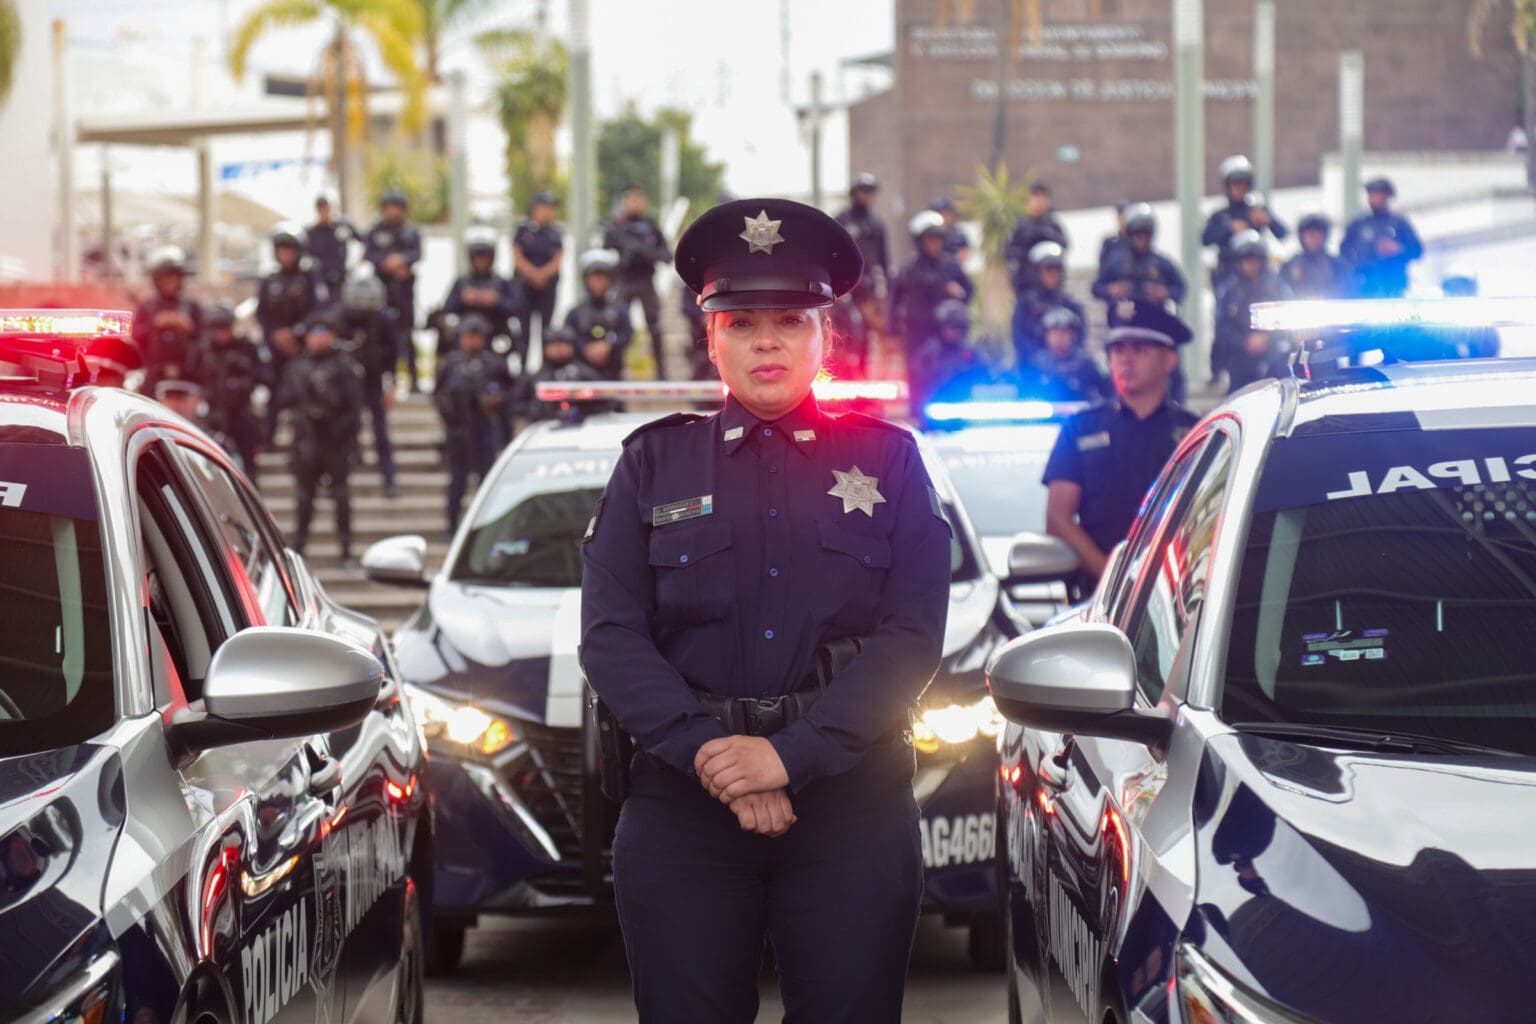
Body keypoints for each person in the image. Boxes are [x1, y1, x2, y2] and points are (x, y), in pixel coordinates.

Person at [580, 197, 951, 1023]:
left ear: (827, 336)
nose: (768, 341)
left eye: (790, 319)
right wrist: (714, 754)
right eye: (743, 322)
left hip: (851, 803)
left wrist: (795, 756)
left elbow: (913, 636)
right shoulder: (653, 464)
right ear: (712, 339)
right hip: (685, 805)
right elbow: (611, 639)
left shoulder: (889, 462)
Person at [1043, 303, 1198, 588]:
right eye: (1118, 350)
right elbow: (1058, 519)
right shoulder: (1080, 428)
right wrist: (1115, 583)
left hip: (1176, 593)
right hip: (1095, 596)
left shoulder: (1194, 433)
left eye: (1139, 350)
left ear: (1169, 360)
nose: (1126, 360)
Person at [276, 309, 364, 566]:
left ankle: (346, 550)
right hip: (306, 442)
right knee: (304, 498)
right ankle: (299, 549)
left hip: (336, 441)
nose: (319, 339)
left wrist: (347, 437)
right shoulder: (297, 367)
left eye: (324, 333)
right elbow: (284, 400)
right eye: (314, 334)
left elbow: (355, 408)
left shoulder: (345, 367)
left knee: (341, 497)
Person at [435, 313, 511, 532]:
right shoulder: (450, 363)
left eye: (477, 336)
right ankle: (451, 527)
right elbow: (438, 393)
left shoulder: (494, 364)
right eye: (469, 336)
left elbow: (510, 392)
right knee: (457, 480)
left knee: (486, 481)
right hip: (458, 430)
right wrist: (450, 413)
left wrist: (495, 401)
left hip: (485, 429)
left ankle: (484, 528)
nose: (472, 341)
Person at [256, 226, 325, 443]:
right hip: (276, 348)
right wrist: (276, 337)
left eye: (289, 250)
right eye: (281, 250)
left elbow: (317, 311)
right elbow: (262, 314)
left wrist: (296, 333)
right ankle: (268, 439)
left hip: (302, 347)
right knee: (274, 394)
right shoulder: (269, 280)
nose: (284, 255)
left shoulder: (309, 279)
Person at [340, 269, 399, 498]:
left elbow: (393, 353)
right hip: (348, 382)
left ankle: (389, 480)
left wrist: (390, 384)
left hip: (374, 380)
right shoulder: (342, 316)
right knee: (344, 430)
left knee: (381, 432)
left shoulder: (384, 319)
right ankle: (337, 480)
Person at [603, 184, 673, 378]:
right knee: (617, 325)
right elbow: (605, 252)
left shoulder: (651, 226)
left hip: (646, 281)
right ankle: (615, 372)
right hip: (624, 281)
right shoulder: (616, 226)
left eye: (638, 199)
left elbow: (667, 255)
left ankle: (661, 373)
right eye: (630, 199)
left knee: (655, 327)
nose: (634, 203)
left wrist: (646, 253)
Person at [1215, 230, 1295, 393]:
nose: (1251, 264)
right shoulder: (1229, 290)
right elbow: (1222, 325)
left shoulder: (1278, 287)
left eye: (1254, 259)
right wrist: (1244, 341)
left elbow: (1289, 318)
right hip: (1240, 357)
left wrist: (1267, 338)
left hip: (1273, 355)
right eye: (1246, 259)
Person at [189, 304, 263, 479]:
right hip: (212, 414)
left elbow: (263, 375)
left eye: (225, 328)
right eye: (217, 328)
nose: (221, 333)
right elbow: (191, 377)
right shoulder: (201, 351)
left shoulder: (246, 348)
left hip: (241, 413)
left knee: (248, 466)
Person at [364, 188, 424, 391]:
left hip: (404, 290)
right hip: (381, 291)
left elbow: (417, 254)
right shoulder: (376, 231)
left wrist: (402, 262)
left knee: (407, 334)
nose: (393, 212)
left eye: (397, 207)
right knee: (382, 336)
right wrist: (386, 263)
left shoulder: (411, 232)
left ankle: (413, 380)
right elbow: (370, 254)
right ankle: (386, 380)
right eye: (389, 208)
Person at [890, 210, 973, 356]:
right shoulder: (910, 268)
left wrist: (960, 296)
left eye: (939, 239)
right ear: (920, 241)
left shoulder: (950, 264)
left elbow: (968, 290)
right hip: (917, 334)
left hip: (946, 336)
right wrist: (893, 331)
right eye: (931, 239)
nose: (936, 244)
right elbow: (895, 300)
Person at [1200, 155, 1289, 288]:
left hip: (1258, 278)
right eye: (1235, 184)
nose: (1239, 188)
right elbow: (1205, 239)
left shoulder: (1256, 209)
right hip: (1228, 277)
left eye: (1243, 184)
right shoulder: (1221, 215)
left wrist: (1268, 220)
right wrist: (1229, 228)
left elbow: (1283, 233)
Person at [833, 173, 891, 373]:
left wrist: (887, 292)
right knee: (842, 334)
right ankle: (843, 376)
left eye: (869, 192)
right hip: (843, 286)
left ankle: (863, 377)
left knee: (867, 335)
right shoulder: (842, 220)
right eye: (862, 191)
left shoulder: (876, 224)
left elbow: (884, 259)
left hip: (867, 287)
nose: (865, 196)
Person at [132, 245, 203, 399]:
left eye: (174, 277)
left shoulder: (192, 307)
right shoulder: (146, 307)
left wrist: (188, 327)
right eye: (165, 278)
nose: (170, 282)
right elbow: (134, 338)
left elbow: (205, 338)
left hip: (187, 376)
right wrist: (155, 325)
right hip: (154, 376)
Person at [441, 226, 520, 359]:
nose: (481, 261)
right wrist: (463, 299)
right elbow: (447, 308)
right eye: (477, 257)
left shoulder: (502, 282)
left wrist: (497, 301)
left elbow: (517, 309)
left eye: (485, 257)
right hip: (465, 340)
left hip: (495, 337)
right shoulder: (462, 282)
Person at [1341, 177, 1424, 298]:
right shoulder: (1358, 225)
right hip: (1364, 286)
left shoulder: (1399, 224)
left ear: (1388, 197)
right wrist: (1357, 264)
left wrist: (1399, 249)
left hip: (1394, 285)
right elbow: (1344, 252)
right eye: (1371, 194)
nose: (1374, 198)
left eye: (1378, 194)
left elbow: (1417, 251)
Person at [1011, 240, 1087, 365]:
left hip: (1067, 370)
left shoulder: (1072, 305)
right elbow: (1019, 340)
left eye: (1056, 270)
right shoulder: (1025, 306)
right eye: (1048, 269)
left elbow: (1080, 339)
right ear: (1037, 272)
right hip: (1033, 372)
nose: (1053, 274)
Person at [563, 248, 632, 379]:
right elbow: (569, 337)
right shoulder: (575, 312)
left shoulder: (620, 309)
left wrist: (609, 345)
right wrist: (585, 348)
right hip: (582, 376)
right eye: (594, 276)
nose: (598, 281)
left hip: (614, 374)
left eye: (602, 276)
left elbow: (627, 334)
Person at [517, 324, 607, 422]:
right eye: (554, 344)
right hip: (544, 428)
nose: (559, 348)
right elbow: (517, 405)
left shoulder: (586, 374)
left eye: (564, 343)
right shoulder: (535, 378)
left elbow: (604, 402)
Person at [1025, 306, 1113, 404]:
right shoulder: (1037, 365)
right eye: (1054, 332)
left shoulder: (1087, 364)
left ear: (1073, 335)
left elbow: (1109, 394)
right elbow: (1023, 396)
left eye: (1063, 332)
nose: (1058, 338)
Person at [907, 297, 977, 419]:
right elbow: (917, 379)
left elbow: (981, 375)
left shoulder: (969, 352)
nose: (955, 332)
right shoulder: (930, 352)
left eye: (959, 328)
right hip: (935, 412)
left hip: (963, 411)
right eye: (951, 327)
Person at [512, 191, 564, 347]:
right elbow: (517, 255)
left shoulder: (555, 232)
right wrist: (533, 274)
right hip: (525, 287)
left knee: (546, 330)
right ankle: (522, 367)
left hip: (547, 287)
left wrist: (543, 275)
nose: (548, 211)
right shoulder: (523, 230)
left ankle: (546, 367)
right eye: (545, 207)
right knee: (524, 330)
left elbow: (558, 258)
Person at [1005, 181, 1069, 294]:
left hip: (1052, 288)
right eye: (1035, 198)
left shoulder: (1053, 225)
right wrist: (1028, 251)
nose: (1039, 203)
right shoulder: (1021, 226)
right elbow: (1009, 252)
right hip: (1026, 285)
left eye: (1043, 199)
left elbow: (1064, 246)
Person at [1281, 213, 1354, 299]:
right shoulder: (1290, 265)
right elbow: (1282, 289)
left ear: (1325, 236)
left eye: (1318, 234)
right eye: (1310, 234)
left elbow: (1346, 288)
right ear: (1302, 236)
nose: (1314, 238)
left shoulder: (1338, 265)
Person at [306, 194, 358, 296]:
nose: (324, 212)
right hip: (321, 282)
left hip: (342, 278)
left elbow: (363, 241)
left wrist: (356, 264)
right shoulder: (311, 233)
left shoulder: (343, 226)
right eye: (320, 208)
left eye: (326, 208)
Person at [929, 196, 971, 264]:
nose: (944, 217)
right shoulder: (930, 234)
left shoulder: (958, 234)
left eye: (947, 214)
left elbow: (966, 253)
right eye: (940, 213)